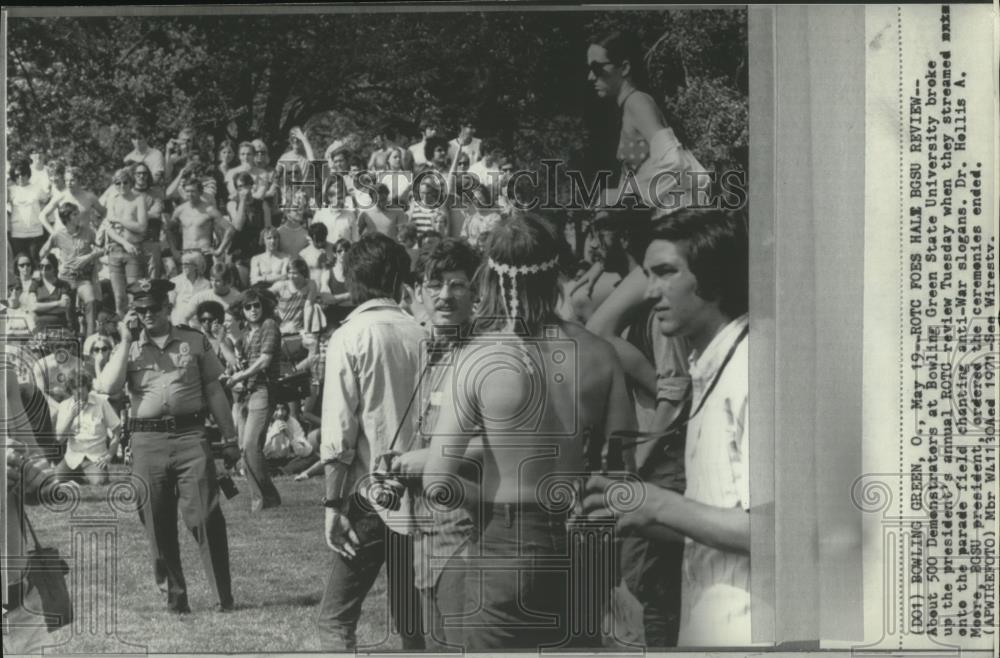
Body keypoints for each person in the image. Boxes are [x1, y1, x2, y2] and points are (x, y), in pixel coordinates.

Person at [422, 213, 636, 650]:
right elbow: (624, 474)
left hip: (506, 542)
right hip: (581, 543)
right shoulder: (600, 354)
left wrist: (486, 499)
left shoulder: (478, 359)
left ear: (491, 277)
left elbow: (436, 482)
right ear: (555, 271)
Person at [583, 209, 751, 646]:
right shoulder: (712, 364)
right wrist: (630, 510)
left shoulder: (754, 368)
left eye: (665, 273)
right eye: (648, 275)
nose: (651, 293)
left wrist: (658, 504)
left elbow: (779, 530)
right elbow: (717, 518)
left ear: (712, 276)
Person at [96, 278, 241, 614]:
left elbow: (215, 391)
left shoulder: (193, 340)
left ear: (166, 307)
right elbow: (108, 386)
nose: (146, 315)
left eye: (152, 309)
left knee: (205, 515)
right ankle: (176, 598)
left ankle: (224, 596)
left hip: (191, 436)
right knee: (156, 522)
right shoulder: (128, 346)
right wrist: (124, 340)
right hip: (147, 441)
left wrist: (230, 438)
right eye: (139, 309)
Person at [317, 233, 427, 651]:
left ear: (353, 279)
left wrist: (331, 505)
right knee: (414, 624)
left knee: (335, 620)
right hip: (424, 492)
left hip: (372, 496)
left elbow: (338, 434)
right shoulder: (422, 331)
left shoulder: (351, 335)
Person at [388, 238, 481, 650]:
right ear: (419, 292)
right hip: (428, 531)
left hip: (470, 530)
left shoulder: (485, 352)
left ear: (476, 291)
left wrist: (426, 459)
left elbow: (507, 441)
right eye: (434, 284)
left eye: (457, 284)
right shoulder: (434, 353)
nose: (444, 295)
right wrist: (400, 462)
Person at [587, 31, 707, 217]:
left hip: (677, 216)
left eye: (596, 68)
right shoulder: (630, 107)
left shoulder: (638, 102)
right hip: (665, 214)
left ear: (624, 68)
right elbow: (641, 168)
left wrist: (622, 194)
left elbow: (673, 161)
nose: (590, 77)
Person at [222, 287, 284, 512]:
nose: (253, 310)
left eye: (257, 305)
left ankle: (264, 499)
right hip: (247, 393)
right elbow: (241, 365)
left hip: (262, 391)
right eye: (248, 307)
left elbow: (265, 361)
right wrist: (221, 343)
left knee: (250, 447)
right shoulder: (247, 334)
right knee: (245, 449)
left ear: (264, 306)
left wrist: (240, 375)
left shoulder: (269, 326)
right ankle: (263, 498)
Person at [39, 202, 103, 336]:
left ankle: (90, 339)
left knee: (91, 301)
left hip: (83, 279)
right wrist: (53, 263)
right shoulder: (58, 235)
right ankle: (72, 337)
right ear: (67, 218)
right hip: (65, 279)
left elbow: (102, 249)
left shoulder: (88, 231)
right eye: (75, 214)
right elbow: (42, 252)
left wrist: (88, 257)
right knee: (68, 308)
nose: (79, 215)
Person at [53, 370, 121, 486]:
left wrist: (110, 455)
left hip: (95, 459)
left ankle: (84, 477)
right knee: (54, 480)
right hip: (71, 459)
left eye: (82, 386)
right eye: (75, 387)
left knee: (100, 482)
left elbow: (117, 431)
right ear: (70, 390)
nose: (79, 390)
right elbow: (60, 439)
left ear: (87, 387)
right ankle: (79, 477)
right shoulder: (64, 405)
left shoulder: (101, 403)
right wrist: (71, 416)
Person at [101, 167, 149, 316]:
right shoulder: (113, 199)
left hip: (133, 251)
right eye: (118, 183)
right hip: (116, 250)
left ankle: (138, 329)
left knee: (134, 293)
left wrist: (119, 220)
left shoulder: (138, 200)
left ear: (131, 182)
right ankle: (123, 329)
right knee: (119, 297)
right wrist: (124, 243)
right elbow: (108, 227)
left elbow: (142, 227)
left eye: (125, 182)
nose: (122, 186)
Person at [167, 178, 233, 271]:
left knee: (204, 284)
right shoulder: (180, 210)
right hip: (186, 254)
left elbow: (230, 229)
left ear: (200, 192)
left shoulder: (209, 210)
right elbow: (169, 229)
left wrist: (219, 250)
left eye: (193, 191)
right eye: (187, 191)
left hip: (203, 254)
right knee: (187, 284)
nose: (190, 194)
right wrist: (174, 250)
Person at [227, 171, 269, 287]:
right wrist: (243, 202)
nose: (244, 189)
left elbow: (268, 228)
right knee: (243, 286)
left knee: (259, 286)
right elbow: (238, 226)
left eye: (246, 185)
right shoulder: (232, 205)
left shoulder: (262, 204)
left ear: (251, 185)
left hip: (258, 249)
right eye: (240, 186)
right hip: (241, 252)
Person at [7, 157, 48, 259]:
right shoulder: (11, 190)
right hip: (17, 235)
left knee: (36, 266)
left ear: (28, 173)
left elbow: (47, 201)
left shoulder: (37, 188)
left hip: (36, 234)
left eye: (23, 173)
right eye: (17, 175)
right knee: (20, 266)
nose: (20, 177)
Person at [27, 253, 74, 339]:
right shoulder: (35, 284)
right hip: (40, 330)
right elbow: (33, 306)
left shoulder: (63, 285)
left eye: (48, 267)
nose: (44, 269)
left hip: (60, 330)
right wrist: (57, 303)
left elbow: (64, 307)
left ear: (54, 268)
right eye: (41, 266)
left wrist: (41, 308)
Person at [168, 251, 211, 325]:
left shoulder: (206, 284)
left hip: (198, 324)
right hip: (178, 323)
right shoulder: (174, 282)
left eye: (186, 264)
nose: (183, 266)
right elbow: (170, 305)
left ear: (196, 266)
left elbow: (206, 306)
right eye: (182, 263)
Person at [312, 175, 356, 243]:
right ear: (329, 197)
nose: (341, 201)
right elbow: (312, 238)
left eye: (342, 197)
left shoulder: (350, 215)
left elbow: (356, 240)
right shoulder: (320, 215)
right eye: (338, 198)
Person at [459, 184, 503, 250]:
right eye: (474, 199)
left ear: (486, 199)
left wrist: (470, 241)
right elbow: (463, 237)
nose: (477, 202)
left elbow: (487, 240)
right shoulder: (469, 219)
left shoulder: (495, 218)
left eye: (480, 199)